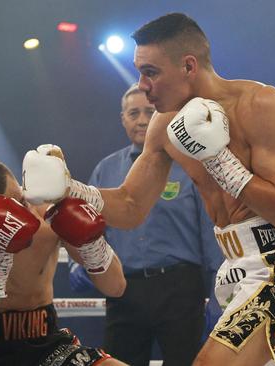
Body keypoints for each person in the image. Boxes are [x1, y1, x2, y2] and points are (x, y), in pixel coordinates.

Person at [21, 12, 275, 366]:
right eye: (140, 72)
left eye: (151, 72)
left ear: (188, 66)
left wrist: (216, 157)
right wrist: (70, 189)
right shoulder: (164, 124)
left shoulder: (261, 105)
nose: (142, 84)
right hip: (238, 264)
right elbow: (131, 206)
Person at [67, 83, 224, 366]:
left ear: (163, 115)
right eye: (133, 113)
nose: (141, 120)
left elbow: (211, 235)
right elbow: (85, 224)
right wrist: (79, 264)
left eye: (149, 112)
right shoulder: (106, 169)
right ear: (123, 118)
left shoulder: (190, 166)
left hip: (180, 287)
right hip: (124, 288)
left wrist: (218, 295)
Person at [0, 158, 128, 366]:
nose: (23, 215)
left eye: (20, 201)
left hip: (45, 345)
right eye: (8, 212)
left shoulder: (47, 212)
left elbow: (116, 287)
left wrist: (92, 244)